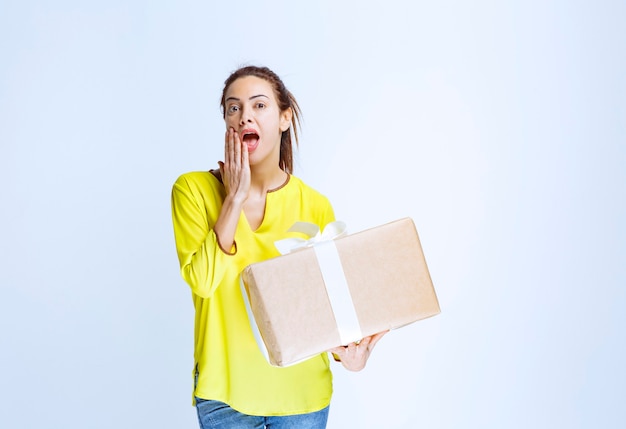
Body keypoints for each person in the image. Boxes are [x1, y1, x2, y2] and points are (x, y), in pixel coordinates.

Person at [171, 65, 386, 428]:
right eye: (233, 108)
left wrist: (349, 356)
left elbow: (329, 309)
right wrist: (233, 199)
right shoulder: (192, 191)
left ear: (285, 118)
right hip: (225, 398)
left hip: (302, 396)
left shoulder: (315, 205)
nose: (244, 117)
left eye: (259, 106)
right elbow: (203, 282)